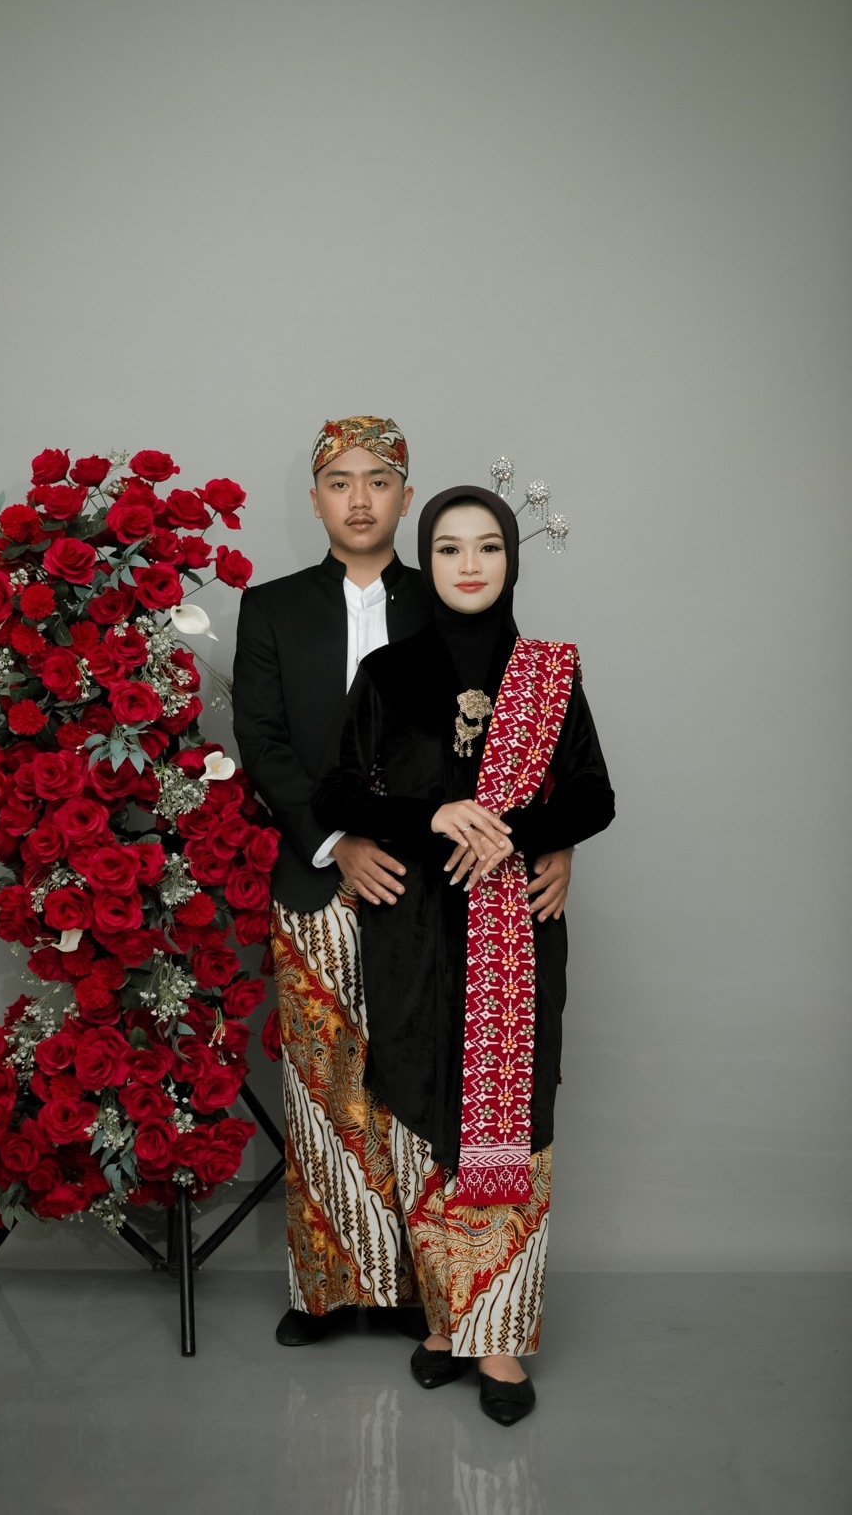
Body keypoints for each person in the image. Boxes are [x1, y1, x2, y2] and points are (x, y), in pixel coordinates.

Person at [232, 422, 575, 1347]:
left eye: (379, 480)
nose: (359, 498)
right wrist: (336, 840)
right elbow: (263, 741)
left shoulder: (453, 587)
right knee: (327, 1089)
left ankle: (437, 1299)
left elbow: (524, 732)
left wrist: (557, 842)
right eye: (338, 481)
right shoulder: (271, 608)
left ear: (406, 495)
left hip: (441, 886)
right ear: (315, 498)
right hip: (320, 875)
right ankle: (331, 1290)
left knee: (427, 1077)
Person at [312, 485, 615, 1424]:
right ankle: (446, 1321)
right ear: (428, 559)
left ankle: (502, 1340)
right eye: (449, 547)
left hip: (515, 927)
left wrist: (519, 833)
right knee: (417, 1103)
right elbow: (337, 792)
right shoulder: (388, 672)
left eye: (488, 546)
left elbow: (594, 794)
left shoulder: (549, 673)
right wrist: (433, 814)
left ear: (512, 559)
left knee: (509, 1114)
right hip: (410, 933)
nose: (470, 564)